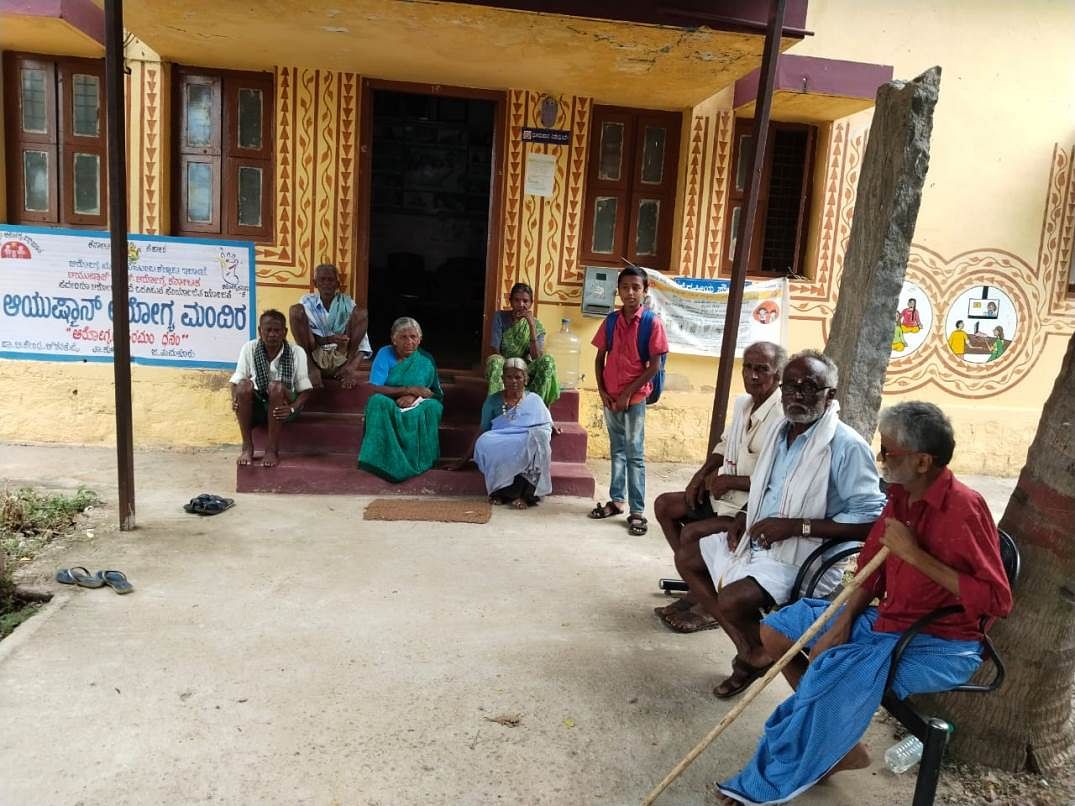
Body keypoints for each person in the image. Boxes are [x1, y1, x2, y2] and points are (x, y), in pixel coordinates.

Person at [715, 401, 1013, 805]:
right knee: (777, 630)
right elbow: (871, 572)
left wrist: (914, 556)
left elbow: (997, 600)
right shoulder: (901, 496)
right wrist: (841, 622)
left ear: (923, 461)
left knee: (830, 676)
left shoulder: (964, 507)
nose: (881, 458)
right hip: (885, 621)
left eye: (890, 452)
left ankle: (780, 771)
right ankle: (834, 744)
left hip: (941, 642)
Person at [676, 350, 885, 698]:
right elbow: (767, 487)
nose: (797, 395)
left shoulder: (845, 445)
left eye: (809, 387)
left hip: (806, 554)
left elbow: (871, 522)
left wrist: (797, 527)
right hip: (761, 539)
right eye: (790, 386)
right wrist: (745, 516)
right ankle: (754, 651)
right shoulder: (780, 430)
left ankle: (754, 657)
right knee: (688, 558)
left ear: (830, 395)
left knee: (730, 599)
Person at [652, 341, 786, 633]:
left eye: (761, 369)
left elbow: (779, 479)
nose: (752, 375)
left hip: (749, 507)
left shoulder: (783, 417)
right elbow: (724, 445)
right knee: (665, 505)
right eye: (748, 367)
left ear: (777, 375)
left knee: (692, 533)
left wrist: (731, 481)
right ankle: (696, 587)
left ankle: (708, 604)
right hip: (722, 495)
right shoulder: (743, 404)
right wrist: (701, 476)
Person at [588, 266, 669, 536]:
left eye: (636, 287)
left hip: (634, 398)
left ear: (645, 291)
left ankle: (637, 510)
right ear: (618, 291)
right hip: (611, 397)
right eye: (625, 287)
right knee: (617, 450)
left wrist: (626, 395)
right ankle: (617, 500)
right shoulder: (611, 321)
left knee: (634, 454)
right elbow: (600, 359)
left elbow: (653, 366)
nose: (630, 292)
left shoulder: (651, 322)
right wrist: (603, 391)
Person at [456, 358, 554, 509]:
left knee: (538, 439)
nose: (513, 381)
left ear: (525, 379)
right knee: (484, 441)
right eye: (509, 377)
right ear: (502, 379)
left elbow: (545, 425)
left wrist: (549, 429)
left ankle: (526, 497)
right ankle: (500, 493)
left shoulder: (534, 400)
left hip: (526, 438)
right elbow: (483, 428)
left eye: (518, 377)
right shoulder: (493, 401)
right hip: (501, 439)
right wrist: (463, 460)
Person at [357, 317, 443, 482]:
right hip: (390, 401)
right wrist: (407, 390)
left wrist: (414, 396)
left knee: (433, 407)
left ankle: (417, 460)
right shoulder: (385, 353)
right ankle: (380, 460)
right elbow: (374, 387)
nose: (409, 341)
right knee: (376, 402)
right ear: (393, 339)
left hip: (418, 404)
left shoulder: (426, 360)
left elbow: (435, 393)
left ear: (420, 339)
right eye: (403, 337)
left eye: (413, 337)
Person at [230, 309, 313, 468]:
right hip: (259, 404)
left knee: (275, 387)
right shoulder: (249, 348)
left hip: (285, 404)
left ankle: (272, 449)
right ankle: (247, 447)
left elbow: (306, 391)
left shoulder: (297, 352)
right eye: (268, 330)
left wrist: (293, 409)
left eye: (277, 330)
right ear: (260, 331)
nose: (272, 334)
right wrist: (235, 399)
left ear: (285, 332)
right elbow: (235, 381)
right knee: (243, 386)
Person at [289, 263, 371, 390]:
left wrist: (351, 367)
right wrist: (330, 339)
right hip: (314, 356)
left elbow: (363, 341)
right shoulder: (306, 302)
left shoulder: (347, 303)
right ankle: (311, 369)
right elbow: (305, 335)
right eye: (322, 280)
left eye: (330, 280)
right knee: (295, 310)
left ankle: (345, 370)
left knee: (361, 313)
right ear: (315, 283)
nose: (326, 283)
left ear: (337, 285)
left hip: (342, 356)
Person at [486, 282, 560, 406]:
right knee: (495, 360)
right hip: (503, 364)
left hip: (525, 368)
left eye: (525, 301)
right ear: (510, 301)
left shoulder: (537, 325)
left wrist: (531, 326)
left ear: (531, 303)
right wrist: (508, 368)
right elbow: (495, 349)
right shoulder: (500, 317)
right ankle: (497, 408)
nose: (521, 305)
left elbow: (537, 357)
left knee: (548, 360)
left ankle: (535, 407)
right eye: (517, 300)